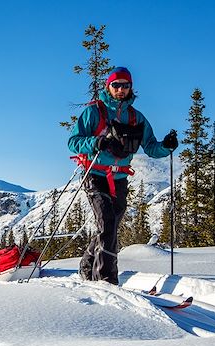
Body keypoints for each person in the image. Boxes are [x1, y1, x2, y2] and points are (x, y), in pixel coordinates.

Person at [68, 67, 178, 285]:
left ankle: (88, 265)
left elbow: (151, 148)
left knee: (108, 228)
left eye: (125, 85)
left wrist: (166, 146)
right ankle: (106, 281)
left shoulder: (137, 118)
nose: (120, 89)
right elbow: (73, 142)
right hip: (95, 174)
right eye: (116, 85)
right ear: (108, 86)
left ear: (130, 88)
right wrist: (95, 142)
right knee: (107, 225)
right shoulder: (94, 112)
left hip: (120, 179)